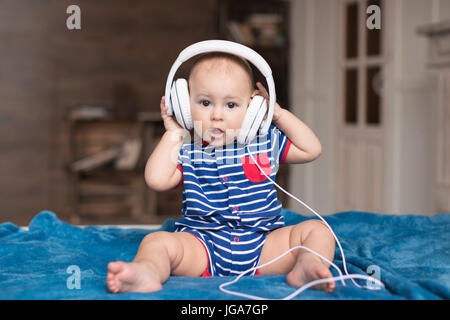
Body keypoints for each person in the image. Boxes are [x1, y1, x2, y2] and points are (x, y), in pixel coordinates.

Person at [106, 52, 336, 294]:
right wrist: (173, 133)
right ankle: (147, 271)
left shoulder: (265, 141)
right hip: (202, 247)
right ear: (184, 106)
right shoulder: (186, 148)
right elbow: (157, 180)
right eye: (205, 103)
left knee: (318, 231)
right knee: (157, 242)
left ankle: (308, 265)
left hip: (263, 247)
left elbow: (311, 149)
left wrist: (277, 114)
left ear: (253, 107)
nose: (217, 115)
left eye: (231, 105)